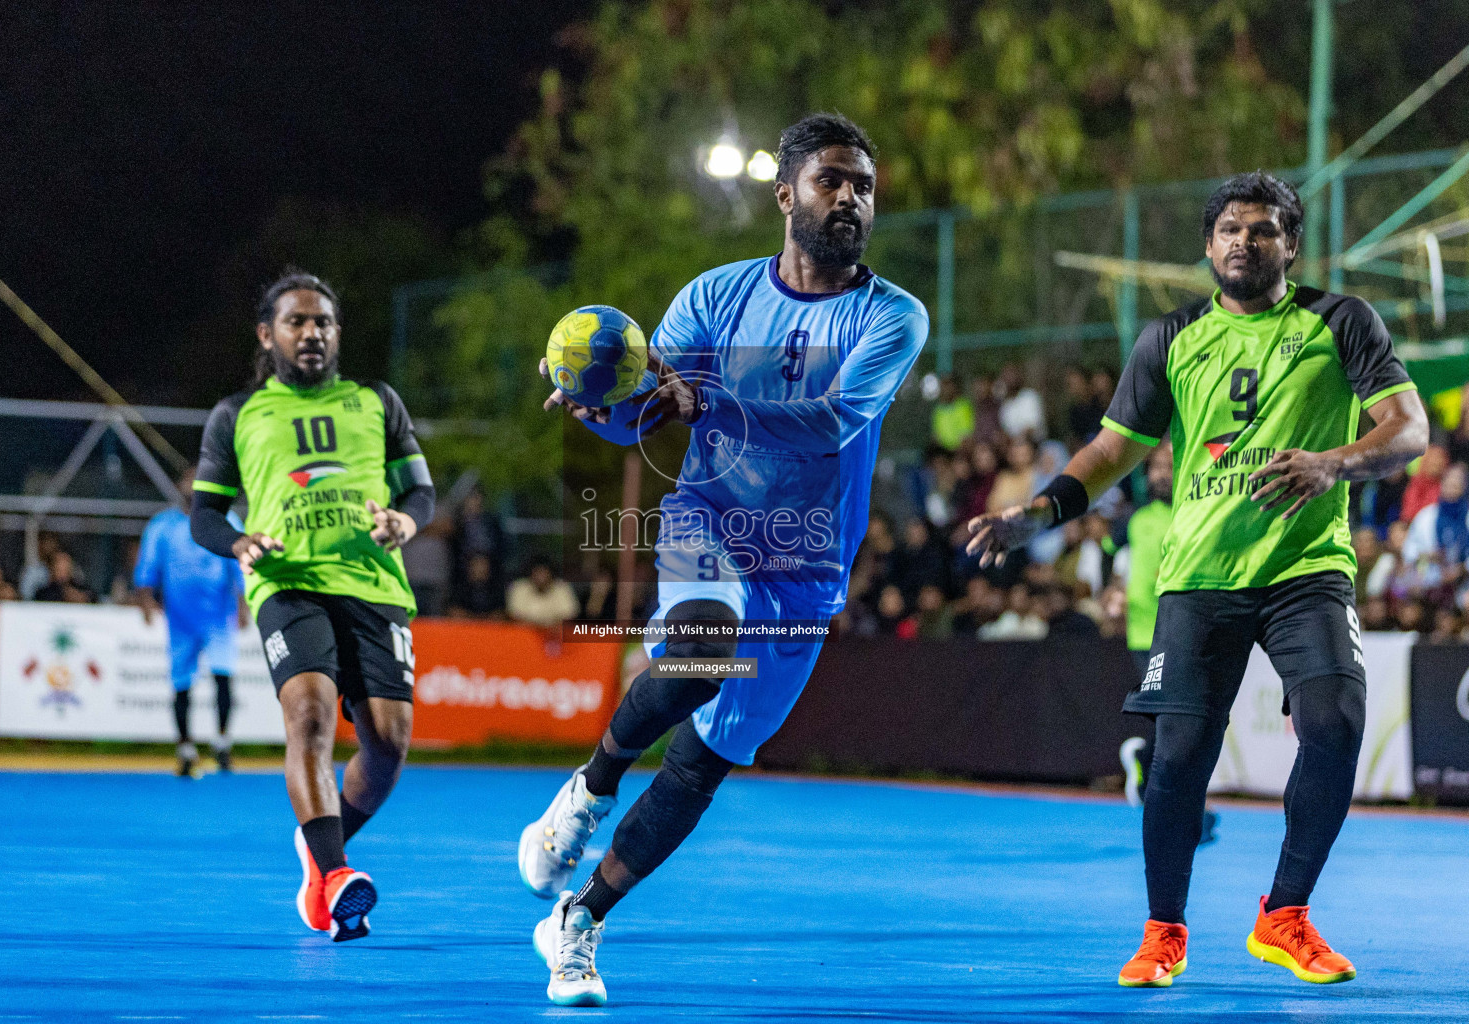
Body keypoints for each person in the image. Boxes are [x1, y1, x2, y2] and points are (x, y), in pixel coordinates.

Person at [967, 171, 1427, 988]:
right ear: (1207, 245)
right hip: (1200, 575)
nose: (1244, 242)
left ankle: (1284, 916)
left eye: (1262, 230)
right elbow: (1112, 451)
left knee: (1337, 721)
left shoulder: (1338, 321)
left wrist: (1333, 463)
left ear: (1290, 242)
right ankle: (1162, 932)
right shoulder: (1170, 338)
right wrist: (1035, 515)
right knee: (1178, 758)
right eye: (1229, 230)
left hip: (1305, 568)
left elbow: (1408, 427)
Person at [519, 113, 927, 1006]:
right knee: (703, 648)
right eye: (830, 180)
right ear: (786, 195)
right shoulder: (714, 297)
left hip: (810, 564)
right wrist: (605, 402)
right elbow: (654, 407)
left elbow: (833, 424)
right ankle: (585, 794)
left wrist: (703, 401)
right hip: (712, 519)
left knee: (707, 762)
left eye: (862, 183)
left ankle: (578, 923)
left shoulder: (891, 317)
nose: (849, 196)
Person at [189, 270, 435, 943]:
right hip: (287, 580)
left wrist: (405, 527)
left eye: (323, 321)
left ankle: (318, 847)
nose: (312, 332)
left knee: (387, 744)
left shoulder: (376, 402)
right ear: (268, 335)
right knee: (309, 715)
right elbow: (202, 515)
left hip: (374, 585)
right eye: (296, 321)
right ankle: (332, 875)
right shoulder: (237, 415)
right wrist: (238, 541)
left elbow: (421, 494)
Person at [1117, 443, 1217, 845]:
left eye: (1169, 467)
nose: (1160, 473)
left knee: (1184, 724)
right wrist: (1112, 593)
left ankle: (1152, 773)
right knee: (1177, 723)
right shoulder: (1136, 519)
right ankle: (1184, 813)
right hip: (1145, 635)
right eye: (1155, 466)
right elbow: (1122, 563)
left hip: (1187, 627)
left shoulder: (1198, 513)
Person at [135, 466, 247, 776]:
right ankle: (185, 747)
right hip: (180, 619)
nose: (193, 486)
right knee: (181, 683)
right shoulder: (163, 526)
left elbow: (239, 565)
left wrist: (243, 605)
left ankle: (223, 743)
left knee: (223, 677)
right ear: (178, 486)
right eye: (187, 480)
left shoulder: (226, 521)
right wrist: (146, 600)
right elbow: (147, 569)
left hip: (218, 617)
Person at [506, 558, 581, 628]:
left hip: (555, 633)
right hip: (525, 633)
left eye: (544, 572)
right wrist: (537, 627)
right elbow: (514, 615)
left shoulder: (562, 588)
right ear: (531, 573)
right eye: (537, 572)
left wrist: (549, 627)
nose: (541, 577)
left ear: (551, 573)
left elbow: (569, 615)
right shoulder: (519, 587)